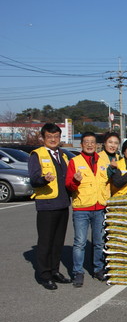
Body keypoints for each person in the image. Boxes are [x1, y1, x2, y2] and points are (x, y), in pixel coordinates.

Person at [28, 123, 72, 290]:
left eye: (56, 137)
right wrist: (43, 179)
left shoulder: (63, 155)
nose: (53, 139)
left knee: (58, 242)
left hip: (62, 203)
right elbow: (33, 178)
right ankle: (44, 275)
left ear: (60, 138)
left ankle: (55, 271)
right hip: (47, 205)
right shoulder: (37, 155)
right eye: (49, 137)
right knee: (46, 241)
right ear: (43, 138)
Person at [65, 132, 110, 287]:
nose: (90, 144)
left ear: (97, 145)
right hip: (82, 208)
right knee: (80, 242)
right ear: (81, 145)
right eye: (86, 142)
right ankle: (78, 272)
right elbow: (69, 186)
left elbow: (108, 182)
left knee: (99, 242)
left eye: (92, 142)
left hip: (100, 207)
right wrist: (75, 181)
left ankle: (98, 269)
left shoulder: (103, 161)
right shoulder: (74, 161)